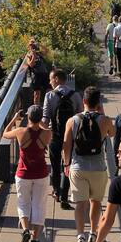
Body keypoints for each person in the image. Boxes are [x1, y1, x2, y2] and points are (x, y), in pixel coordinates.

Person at [63, 85, 118, 242]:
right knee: (96, 202)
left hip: (78, 167)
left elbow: (66, 145)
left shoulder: (72, 121)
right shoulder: (105, 120)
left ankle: (80, 235)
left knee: (80, 204)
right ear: (98, 102)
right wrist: (101, 113)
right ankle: (93, 233)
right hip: (99, 168)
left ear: (84, 101)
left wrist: (66, 164)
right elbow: (113, 133)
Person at [2, 104, 51, 242]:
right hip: (41, 173)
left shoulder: (20, 132)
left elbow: (5, 133)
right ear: (40, 117)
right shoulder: (47, 134)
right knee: (39, 205)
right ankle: (35, 239)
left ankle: (25, 230)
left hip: (23, 174)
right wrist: (40, 122)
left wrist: (14, 119)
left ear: (28, 117)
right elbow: (44, 128)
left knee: (23, 203)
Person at [42, 68, 77, 210]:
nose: (49, 82)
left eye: (51, 79)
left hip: (55, 137)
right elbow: (80, 116)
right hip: (71, 138)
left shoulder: (49, 96)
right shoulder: (75, 95)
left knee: (55, 166)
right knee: (67, 166)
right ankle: (64, 196)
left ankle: (56, 191)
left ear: (56, 79)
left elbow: (45, 120)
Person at [25, 40, 49, 106]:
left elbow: (46, 51)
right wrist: (33, 56)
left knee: (49, 89)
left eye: (34, 45)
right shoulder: (28, 55)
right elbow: (31, 65)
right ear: (29, 47)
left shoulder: (39, 53)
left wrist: (40, 44)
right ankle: (36, 108)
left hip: (44, 73)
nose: (33, 47)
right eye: (31, 45)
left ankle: (48, 104)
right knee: (37, 93)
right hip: (36, 74)